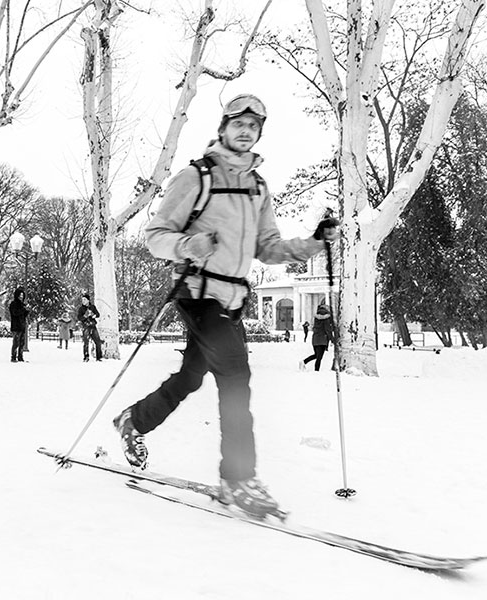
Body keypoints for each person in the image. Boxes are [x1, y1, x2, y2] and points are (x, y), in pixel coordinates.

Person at [110, 94, 338, 519]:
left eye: (254, 124)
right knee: (236, 378)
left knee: (191, 378)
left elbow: (267, 248)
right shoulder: (196, 177)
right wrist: (188, 244)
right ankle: (238, 479)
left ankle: (133, 420)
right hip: (198, 294)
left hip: (232, 299)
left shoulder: (258, 186)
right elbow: (155, 234)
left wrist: (313, 242)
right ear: (223, 127)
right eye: (238, 122)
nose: (246, 129)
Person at [300, 305, 337, 372]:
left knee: (317, 355)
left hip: (315, 339)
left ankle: (304, 362)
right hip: (322, 339)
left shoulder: (316, 318)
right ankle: (316, 371)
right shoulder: (326, 319)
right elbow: (327, 330)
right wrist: (332, 339)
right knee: (319, 357)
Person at [77, 293, 103, 362]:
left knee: (98, 341)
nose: (83, 301)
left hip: (93, 326)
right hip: (86, 326)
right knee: (86, 342)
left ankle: (99, 357)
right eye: (82, 300)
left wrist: (93, 315)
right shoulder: (81, 309)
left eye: (84, 299)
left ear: (88, 300)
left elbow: (98, 314)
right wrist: (85, 316)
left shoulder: (92, 307)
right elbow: (79, 317)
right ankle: (86, 357)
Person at [9, 287, 29, 362]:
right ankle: (13, 357)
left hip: (22, 326)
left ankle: (20, 356)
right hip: (16, 326)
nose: (21, 297)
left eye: (22, 296)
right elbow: (15, 313)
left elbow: (23, 315)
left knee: (22, 343)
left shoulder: (22, 305)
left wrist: (26, 311)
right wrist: (23, 310)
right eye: (20, 296)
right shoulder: (13, 304)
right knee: (16, 342)